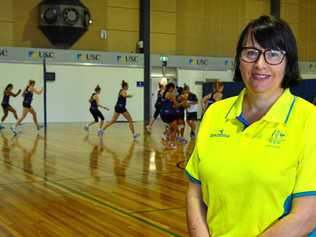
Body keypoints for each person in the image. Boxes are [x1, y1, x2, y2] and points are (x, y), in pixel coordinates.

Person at [186, 15, 316, 237]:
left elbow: (308, 214)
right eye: (251, 53)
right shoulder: (215, 113)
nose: (260, 64)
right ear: (239, 60)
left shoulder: (309, 120)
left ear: (288, 62)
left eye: (273, 54)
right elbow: (194, 193)